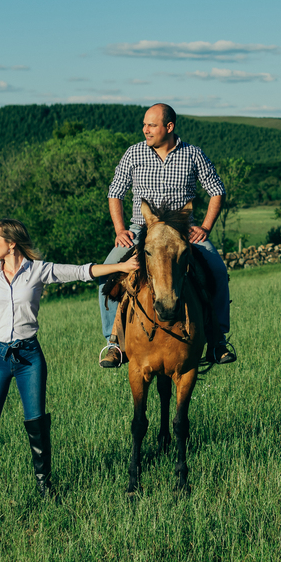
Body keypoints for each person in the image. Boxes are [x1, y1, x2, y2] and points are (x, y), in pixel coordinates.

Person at [0, 218, 138, 501]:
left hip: (29, 357)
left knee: (37, 424)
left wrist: (120, 267)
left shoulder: (38, 271)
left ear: (11, 243)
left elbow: (83, 272)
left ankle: (45, 489)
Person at [97, 103, 236, 368]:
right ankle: (114, 343)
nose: (145, 130)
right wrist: (120, 230)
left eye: (151, 125)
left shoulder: (193, 155)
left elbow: (217, 190)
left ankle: (217, 339)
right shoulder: (134, 153)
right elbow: (115, 193)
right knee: (106, 274)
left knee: (217, 270)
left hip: (181, 231)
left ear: (169, 127)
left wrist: (205, 227)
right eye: (144, 124)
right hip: (141, 230)